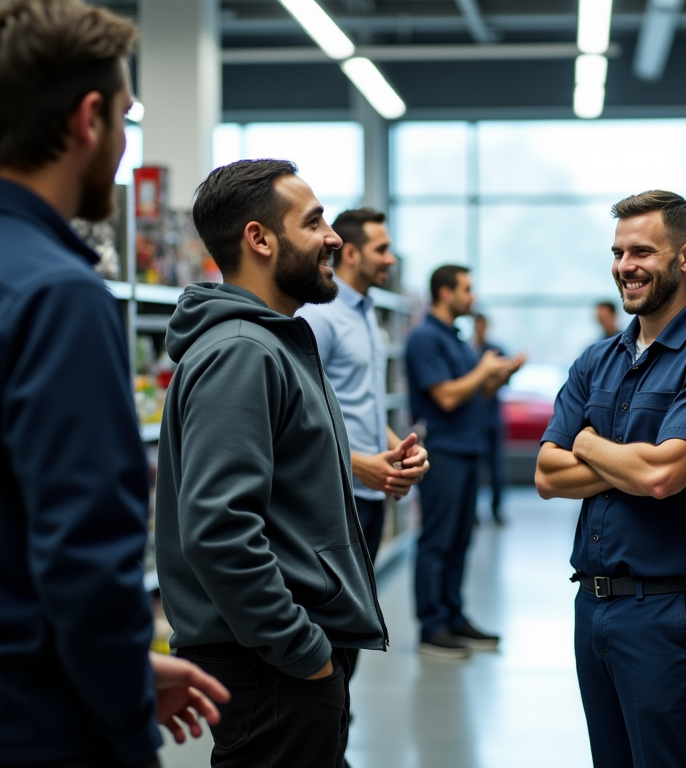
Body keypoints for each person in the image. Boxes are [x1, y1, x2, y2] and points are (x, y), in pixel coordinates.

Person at [0, 1, 229, 766]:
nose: (126, 145)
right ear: (89, 118)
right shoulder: (58, 292)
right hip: (29, 728)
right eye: (125, 117)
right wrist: (124, 722)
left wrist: (125, 664)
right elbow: (84, 553)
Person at [156, 160, 387, 768]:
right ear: (259, 239)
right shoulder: (242, 353)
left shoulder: (270, 343)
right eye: (313, 223)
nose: (334, 238)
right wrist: (302, 650)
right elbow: (219, 528)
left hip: (279, 660)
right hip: (271, 666)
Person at [534, 190, 686, 768]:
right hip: (594, 605)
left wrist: (584, 441)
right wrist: (622, 464)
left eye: (642, 251)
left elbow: (661, 476)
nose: (625, 267)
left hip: (670, 615)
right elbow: (546, 474)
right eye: (617, 252)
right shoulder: (596, 360)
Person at [297, 208, 430, 563]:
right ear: (351, 253)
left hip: (370, 495)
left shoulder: (367, 311)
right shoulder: (318, 316)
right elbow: (299, 415)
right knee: (336, 612)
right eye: (381, 249)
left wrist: (401, 451)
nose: (390, 259)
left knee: (362, 610)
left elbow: (360, 400)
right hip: (335, 497)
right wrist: (357, 465)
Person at [405, 266, 524, 658]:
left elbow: (477, 393)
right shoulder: (425, 338)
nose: (472, 297)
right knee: (437, 540)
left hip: (467, 450)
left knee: (460, 540)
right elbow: (447, 397)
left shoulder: (456, 340)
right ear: (444, 292)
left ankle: (454, 617)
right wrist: (483, 371)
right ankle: (432, 626)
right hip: (442, 453)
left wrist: (499, 376)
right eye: (466, 289)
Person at [472, 313, 509, 525]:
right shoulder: (468, 350)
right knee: (475, 469)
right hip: (474, 420)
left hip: (492, 418)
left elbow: (503, 378)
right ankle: (473, 512)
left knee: (496, 467)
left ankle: (496, 510)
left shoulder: (495, 351)